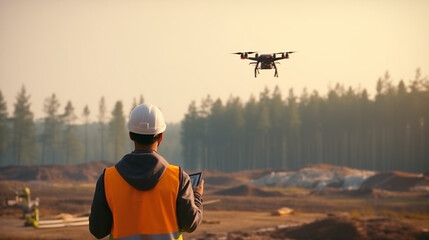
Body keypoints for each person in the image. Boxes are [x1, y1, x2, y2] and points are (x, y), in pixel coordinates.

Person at [89, 103, 204, 240]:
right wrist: (196, 195)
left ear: (131, 135)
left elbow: (98, 230)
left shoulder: (108, 179)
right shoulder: (177, 178)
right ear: (161, 136)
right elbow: (189, 224)